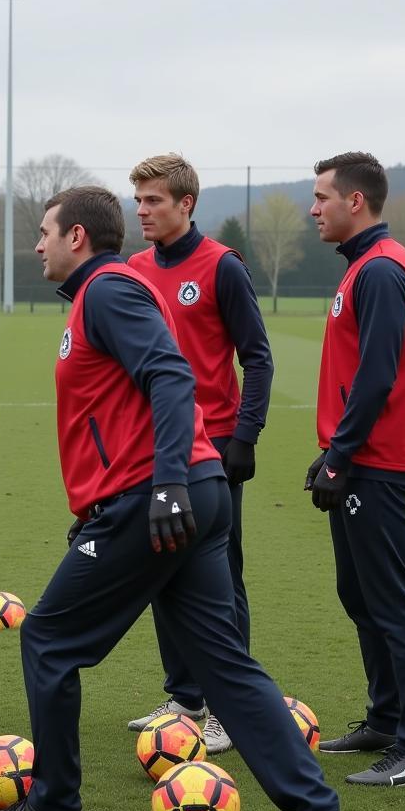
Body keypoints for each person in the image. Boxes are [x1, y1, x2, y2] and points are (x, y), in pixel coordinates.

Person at [0, 186, 360, 811]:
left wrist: (163, 485)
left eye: (43, 232)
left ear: (77, 239)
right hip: (176, 496)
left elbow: (172, 376)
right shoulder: (104, 297)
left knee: (48, 640)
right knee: (224, 664)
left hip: (159, 498)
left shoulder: (109, 292)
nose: (35, 244)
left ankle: (54, 805)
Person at [125, 154, 273, 754]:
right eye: (137, 200)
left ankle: (225, 707)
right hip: (152, 451)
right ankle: (185, 697)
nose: (142, 211)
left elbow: (257, 358)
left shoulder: (222, 268)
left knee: (220, 579)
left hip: (210, 454)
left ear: (186, 204)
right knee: (162, 570)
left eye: (153, 200)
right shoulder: (132, 269)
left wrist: (245, 436)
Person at [306, 152, 405, 787]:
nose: (313, 209)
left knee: (393, 604)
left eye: (321, 198)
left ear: (354, 201)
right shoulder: (363, 267)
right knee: (359, 594)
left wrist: (342, 454)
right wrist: (334, 450)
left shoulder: (383, 270)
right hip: (362, 457)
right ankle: (387, 720)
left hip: (380, 462)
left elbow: (378, 374)